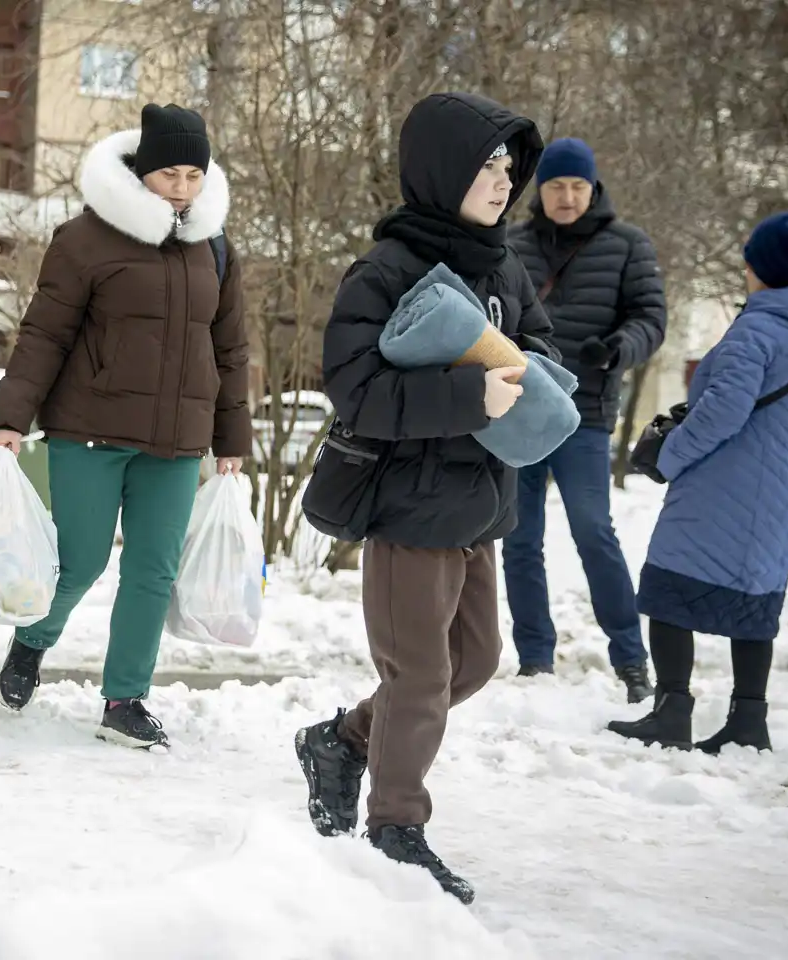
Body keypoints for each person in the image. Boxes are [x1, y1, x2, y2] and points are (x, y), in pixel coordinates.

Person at [293, 93, 557, 904]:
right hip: (408, 508)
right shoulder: (386, 270)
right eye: (486, 165)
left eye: (509, 168)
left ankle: (339, 741)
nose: (503, 181)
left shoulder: (503, 264)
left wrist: (530, 369)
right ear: (444, 170)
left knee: (472, 663)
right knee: (419, 674)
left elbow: (538, 341)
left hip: (479, 504)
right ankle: (396, 828)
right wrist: (470, 397)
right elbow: (358, 390)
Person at [0, 103, 251, 749]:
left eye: (194, 174)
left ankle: (125, 698)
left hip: (177, 440)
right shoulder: (85, 239)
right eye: (169, 174)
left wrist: (231, 440)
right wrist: (10, 418)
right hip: (89, 430)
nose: (182, 188)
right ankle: (32, 641)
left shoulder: (213, 248)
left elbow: (231, 350)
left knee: (154, 572)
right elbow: (45, 333)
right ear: (141, 173)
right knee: (79, 561)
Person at [608, 211, 788, 753]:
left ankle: (671, 713)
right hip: (779, 496)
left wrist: (668, 458)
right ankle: (748, 720)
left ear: (761, 267)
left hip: (719, 490)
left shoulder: (756, 330)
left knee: (669, 591)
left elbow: (721, 413)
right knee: (755, 603)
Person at [504, 138, 667, 702]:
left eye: (577, 186)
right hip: (518, 412)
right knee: (519, 540)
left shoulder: (627, 245)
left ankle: (631, 658)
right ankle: (534, 658)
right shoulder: (511, 243)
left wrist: (619, 348)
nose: (567, 196)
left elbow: (651, 316)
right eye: (555, 186)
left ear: (592, 188)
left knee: (594, 532)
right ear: (541, 192)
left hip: (585, 414)